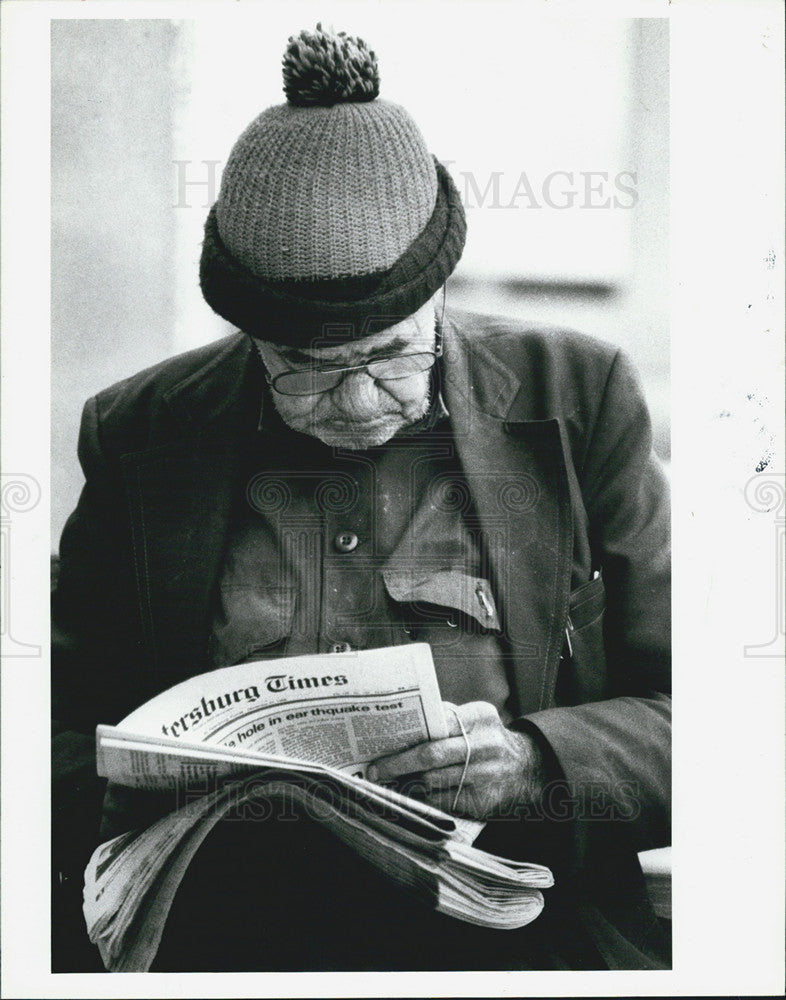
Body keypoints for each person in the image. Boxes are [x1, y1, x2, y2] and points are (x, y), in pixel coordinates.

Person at [52, 25, 670, 972]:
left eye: (391, 356)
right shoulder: (145, 433)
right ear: (247, 335)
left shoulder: (578, 400)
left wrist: (540, 764)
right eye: (302, 369)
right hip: (232, 941)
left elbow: (719, 714)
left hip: (519, 942)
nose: (355, 401)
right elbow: (52, 725)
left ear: (441, 296)